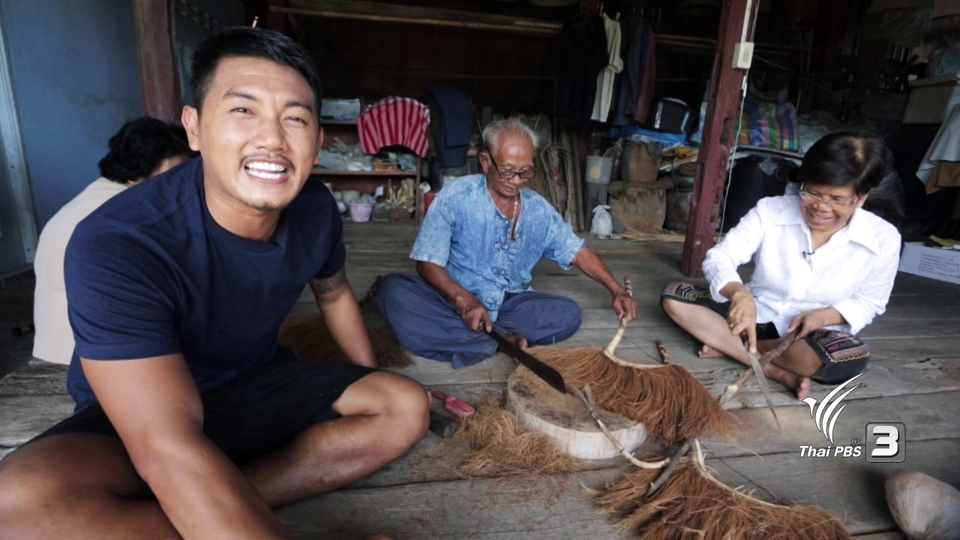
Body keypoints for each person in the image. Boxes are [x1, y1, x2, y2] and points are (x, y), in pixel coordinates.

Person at [0, 27, 428, 539]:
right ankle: (215, 507)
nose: (272, 138)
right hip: (146, 411)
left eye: (294, 118)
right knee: (17, 505)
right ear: (194, 127)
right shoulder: (119, 241)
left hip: (253, 384)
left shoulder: (315, 210)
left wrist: (362, 377)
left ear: (317, 143)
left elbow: (333, 292)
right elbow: (166, 447)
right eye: (243, 110)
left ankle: (221, 502)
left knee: (404, 405)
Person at [375, 117, 637, 368]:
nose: (516, 181)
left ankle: (484, 337)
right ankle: (500, 339)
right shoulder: (457, 196)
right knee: (392, 290)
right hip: (450, 297)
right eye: (508, 171)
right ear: (485, 161)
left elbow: (577, 251)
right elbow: (426, 264)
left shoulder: (537, 209)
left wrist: (616, 289)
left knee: (567, 315)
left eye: (526, 172)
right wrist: (463, 299)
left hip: (507, 304)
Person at [661, 132, 901, 400]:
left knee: (847, 358)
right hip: (755, 318)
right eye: (812, 192)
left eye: (836, 199)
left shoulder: (883, 238)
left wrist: (824, 316)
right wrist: (739, 294)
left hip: (809, 340)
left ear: (861, 197)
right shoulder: (770, 211)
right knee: (675, 296)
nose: (820, 207)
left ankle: (733, 345)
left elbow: (871, 301)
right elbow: (721, 257)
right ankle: (775, 370)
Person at [33, 117, 194, 365]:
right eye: (173, 174)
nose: (182, 183)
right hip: (88, 355)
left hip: (53, 344)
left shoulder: (93, 197)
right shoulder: (130, 216)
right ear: (137, 173)